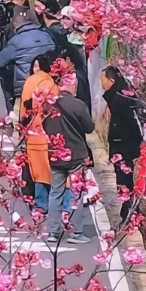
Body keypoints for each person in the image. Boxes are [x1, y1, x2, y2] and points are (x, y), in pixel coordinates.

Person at [42, 66, 95, 245]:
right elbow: (89, 128)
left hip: (55, 155)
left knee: (55, 192)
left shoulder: (47, 105)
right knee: (76, 194)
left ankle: (53, 231)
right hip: (76, 154)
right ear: (71, 86)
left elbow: (43, 127)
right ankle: (75, 231)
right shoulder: (78, 105)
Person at [100, 65, 146, 223]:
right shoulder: (118, 96)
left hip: (123, 146)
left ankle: (130, 213)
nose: (101, 83)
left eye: (103, 80)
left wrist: (132, 145)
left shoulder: (121, 98)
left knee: (124, 180)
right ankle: (129, 212)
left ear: (111, 80)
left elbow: (132, 125)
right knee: (124, 180)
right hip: (122, 145)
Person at [18, 52, 59, 212]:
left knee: (36, 169)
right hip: (47, 133)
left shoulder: (30, 81)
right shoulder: (51, 85)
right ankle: (47, 203)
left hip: (30, 131)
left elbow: (23, 107)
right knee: (49, 171)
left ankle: (39, 204)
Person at [0, 16, 56, 110]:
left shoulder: (16, 41)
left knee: (23, 115)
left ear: (16, 25)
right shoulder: (47, 36)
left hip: (24, 85)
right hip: (47, 82)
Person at [56, 5, 92, 111]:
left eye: (67, 18)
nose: (63, 21)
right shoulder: (64, 34)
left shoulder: (80, 38)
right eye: (62, 18)